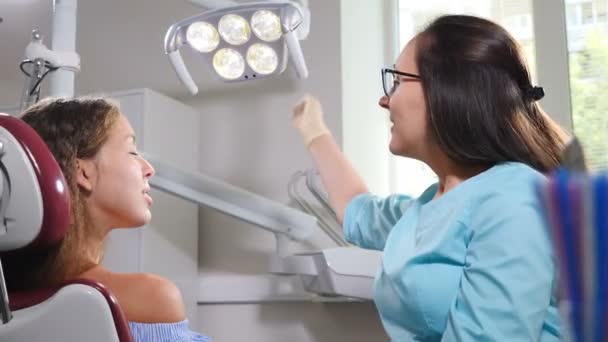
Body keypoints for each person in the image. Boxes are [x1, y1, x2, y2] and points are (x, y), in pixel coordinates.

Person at [291, 15, 567, 341]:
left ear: (448, 89)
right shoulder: (428, 207)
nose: (384, 100)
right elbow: (358, 212)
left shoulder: (515, 200)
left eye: (396, 81)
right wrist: (315, 133)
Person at [2, 97, 210, 342]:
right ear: (82, 172)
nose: (149, 168)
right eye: (132, 150)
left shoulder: (11, 306)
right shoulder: (150, 299)